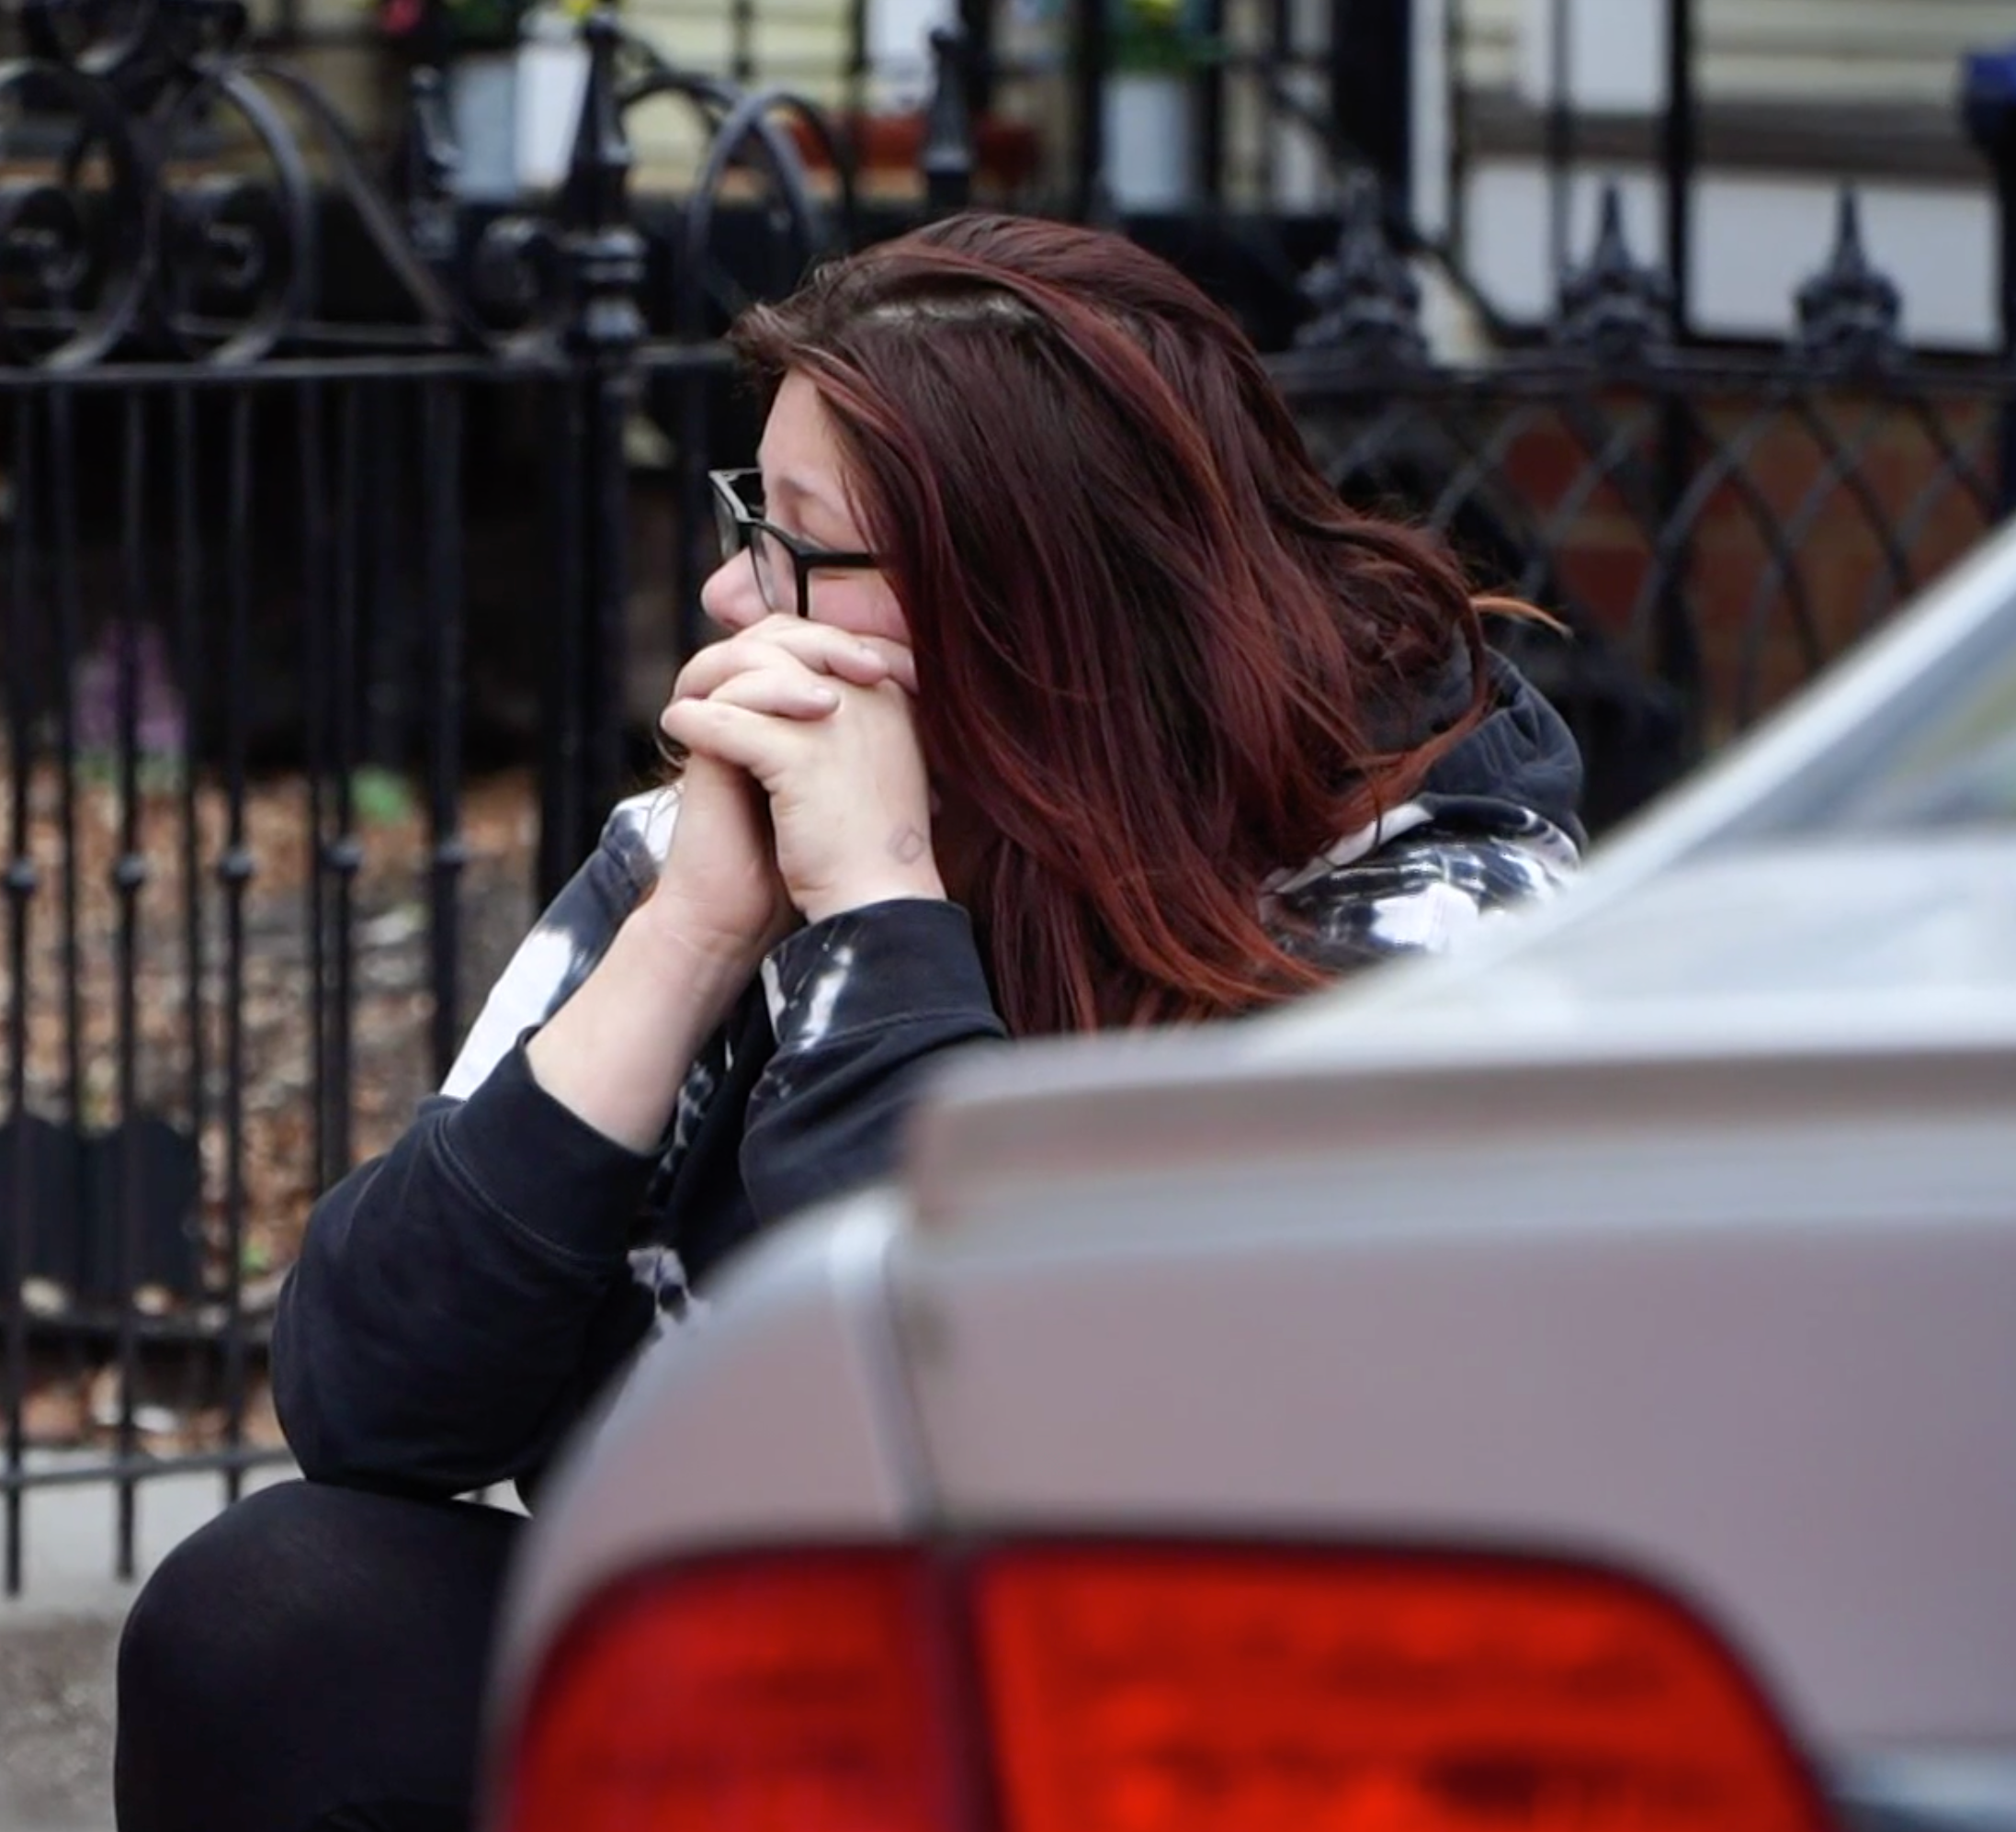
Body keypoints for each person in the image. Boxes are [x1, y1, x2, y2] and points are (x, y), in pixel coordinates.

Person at [113, 213, 1588, 1832]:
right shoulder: (740, 835)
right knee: (273, 1612)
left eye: (791, 539)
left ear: (1021, 609)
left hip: (1181, 1721)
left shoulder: (1419, 906)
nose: (724, 587)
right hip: (782, 1666)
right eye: (746, 511)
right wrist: (688, 931)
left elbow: (1036, 1456)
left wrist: (880, 917)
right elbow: (370, 1396)